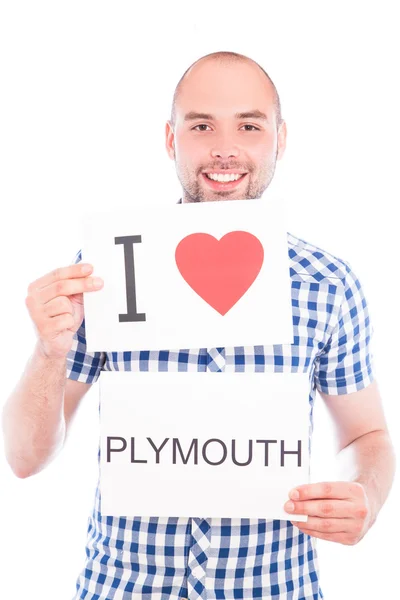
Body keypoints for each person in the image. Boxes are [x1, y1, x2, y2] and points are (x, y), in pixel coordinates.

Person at [2, 51, 395, 600]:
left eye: (249, 125)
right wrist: (48, 351)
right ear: (170, 139)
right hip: (123, 587)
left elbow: (366, 435)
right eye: (202, 125)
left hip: (274, 587)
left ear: (280, 138)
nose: (224, 147)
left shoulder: (328, 285)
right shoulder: (109, 271)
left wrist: (366, 496)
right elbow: (24, 458)